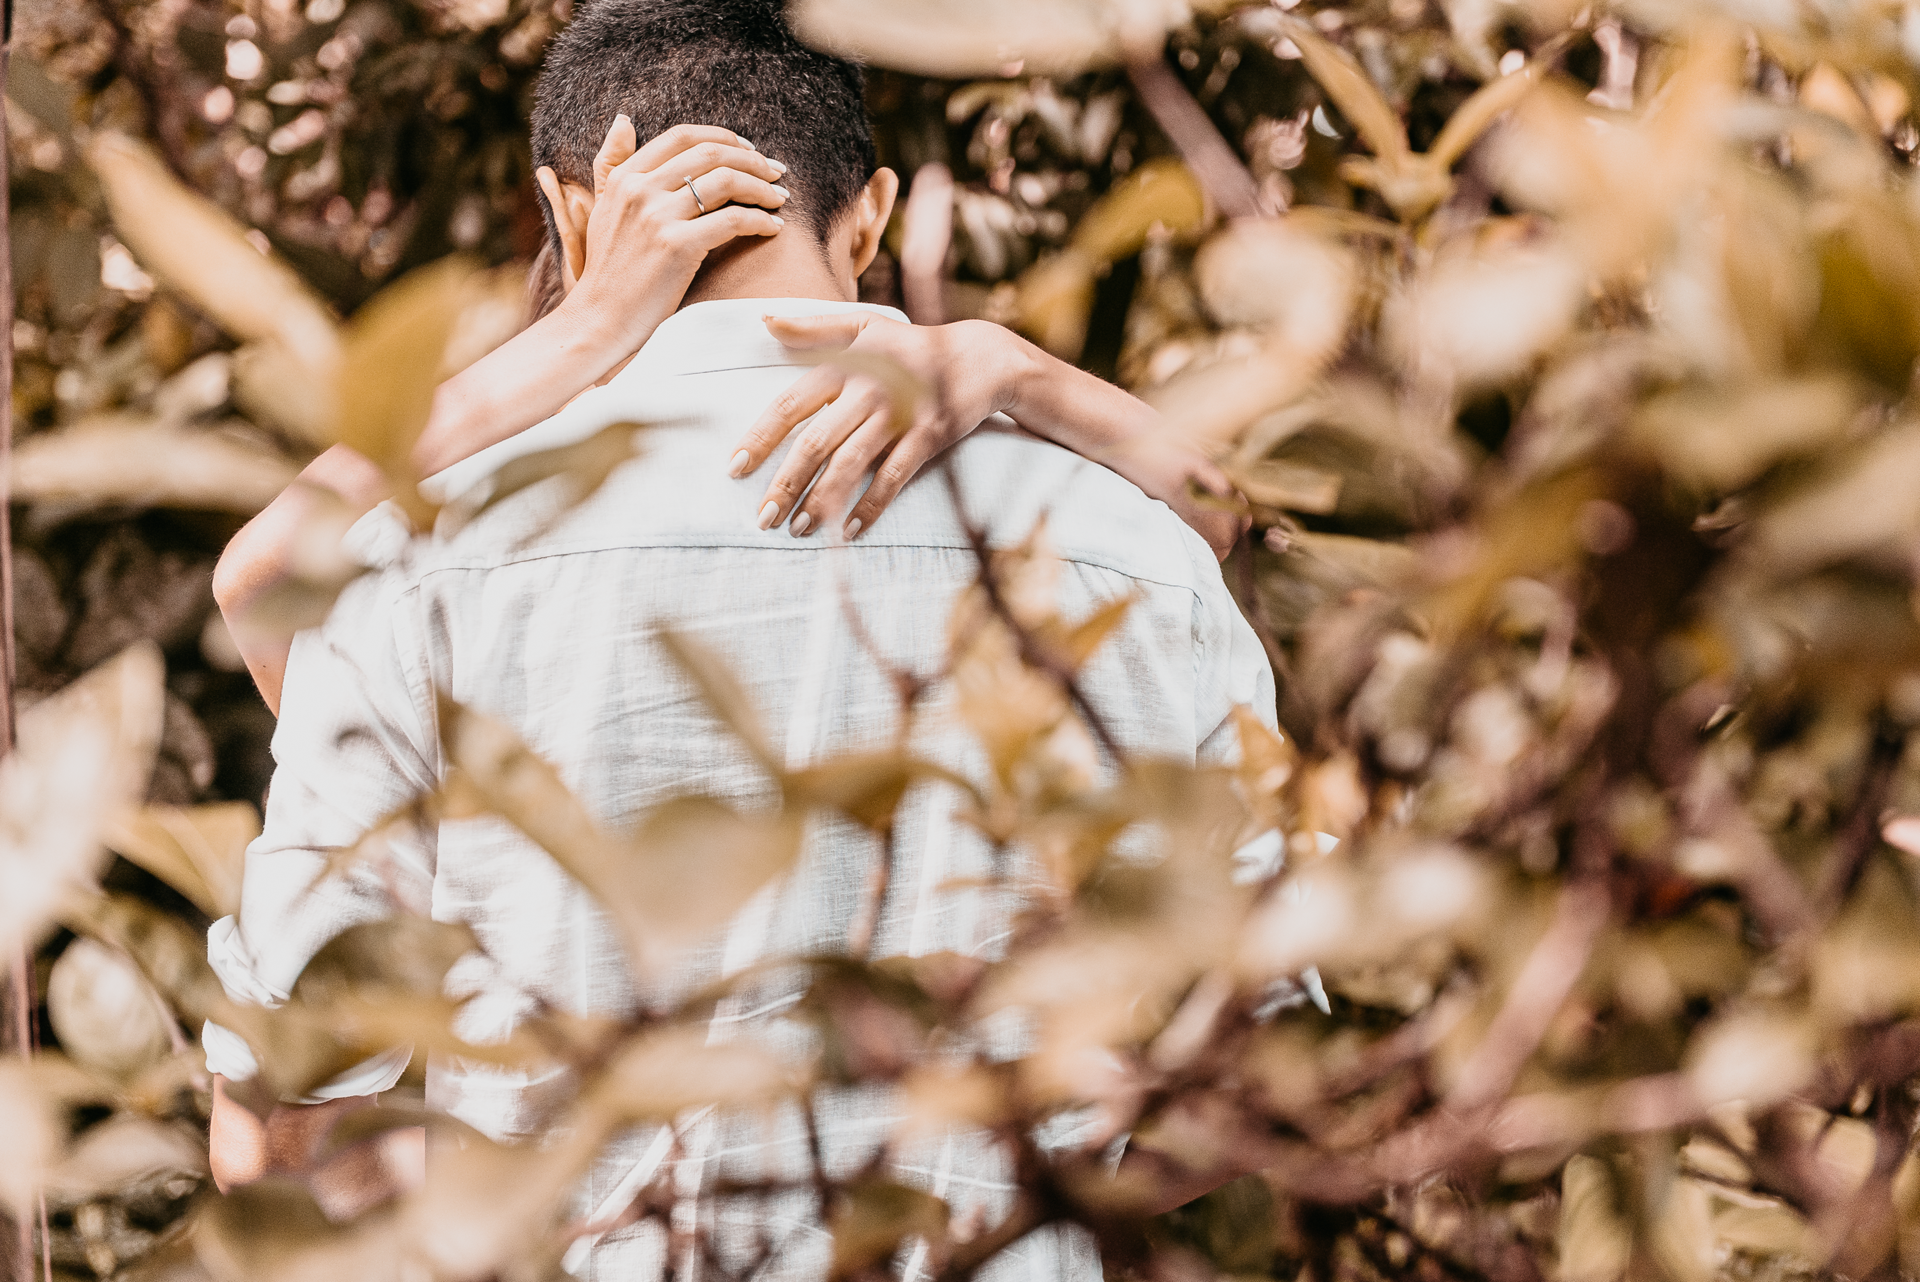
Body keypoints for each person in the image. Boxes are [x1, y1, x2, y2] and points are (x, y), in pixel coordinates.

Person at [203, 1, 1276, 1277]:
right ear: (870, 216)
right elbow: (1246, 1095)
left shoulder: (409, 566)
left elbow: (284, 1141)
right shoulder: (1134, 547)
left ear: (569, 212)